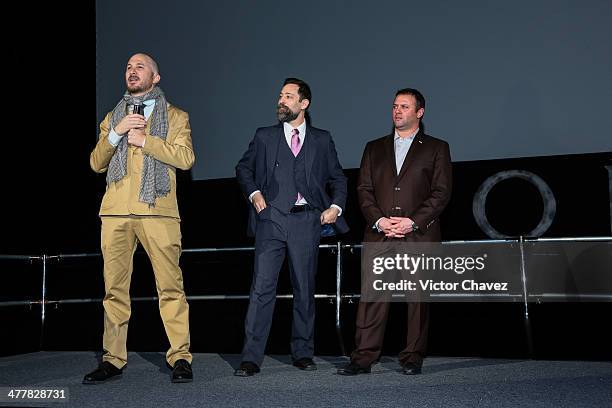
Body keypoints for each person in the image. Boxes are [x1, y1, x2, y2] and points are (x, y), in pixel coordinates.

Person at [84, 53, 195, 384]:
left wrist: (147, 141)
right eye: (129, 67)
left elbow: (186, 158)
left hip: (158, 212)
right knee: (114, 291)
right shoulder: (112, 117)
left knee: (170, 288)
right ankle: (113, 358)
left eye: (140, 67)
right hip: (115, 213)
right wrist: (117, 132)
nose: (132, 71)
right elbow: (95, 162)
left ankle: (180, 357)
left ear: (155, 77)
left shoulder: (176, 116)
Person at [234, 78, 348, 376]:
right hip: (271, 219)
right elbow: (243, 168)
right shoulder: (264, 136)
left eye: (288, 96)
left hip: (306, 219)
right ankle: (250, 358)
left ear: (304, 103)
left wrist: (335, 208)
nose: (281, 101)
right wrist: (255, 194)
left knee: (304, 288)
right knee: (262, 289)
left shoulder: (322, 139)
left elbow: (338, 177)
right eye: (280, 96)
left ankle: (303, 353)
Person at [338, 88, 452, 376]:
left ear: (419, 112)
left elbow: (441, 192)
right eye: (394, 106)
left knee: (417, 299)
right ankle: (363, 358)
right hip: (380, 234)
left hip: (418, 235)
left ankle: (412, 357)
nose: (397, 111)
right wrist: (379, 220)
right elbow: (363, 190)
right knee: (373, 297)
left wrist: (412, 222)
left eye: (404, 106)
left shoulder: (436, 147)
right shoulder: (373, 147)